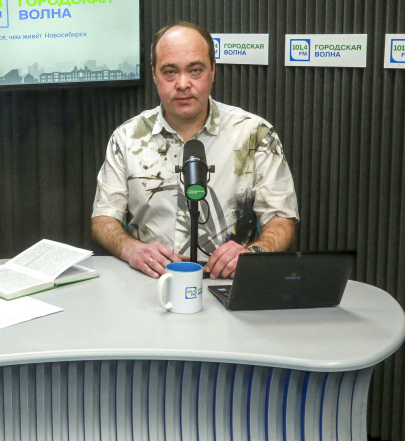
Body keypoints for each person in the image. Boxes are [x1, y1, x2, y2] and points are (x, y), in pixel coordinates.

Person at [91, 21, 299, 279]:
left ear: (213, 70)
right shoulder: (126, 138)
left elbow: (282, 219)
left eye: (195, 70)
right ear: (154, 73)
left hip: (229, 281)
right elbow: (103, 219)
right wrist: (131, 249)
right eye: (170, 72)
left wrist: (254, 253)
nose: (182, 83)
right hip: (150, 280)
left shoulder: (255, 134)